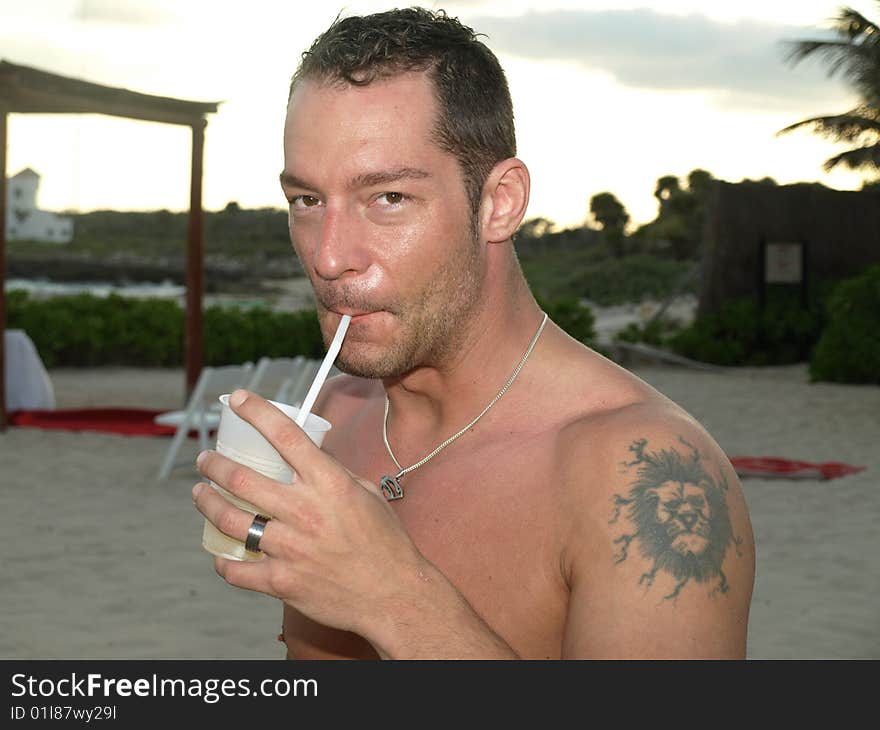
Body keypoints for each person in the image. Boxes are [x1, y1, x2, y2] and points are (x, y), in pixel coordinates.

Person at [192, 7, 755, 659]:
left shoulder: (647, 479)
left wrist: (395, 599)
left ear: (499, 203)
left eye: (388, 198)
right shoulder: (331, 420)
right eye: (307, 201)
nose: (328, 256)